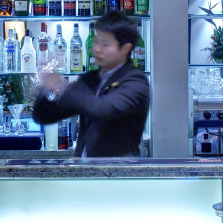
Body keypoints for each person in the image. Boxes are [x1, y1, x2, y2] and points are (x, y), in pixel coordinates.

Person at [32, 10, 150, 157]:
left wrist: (63, 87)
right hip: (85, 168)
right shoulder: (91, 79)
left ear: (125, 48)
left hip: (119, 168)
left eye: (105, 44)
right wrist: (47, 88)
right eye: (96, 41)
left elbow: (104, 109)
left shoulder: (136, 81)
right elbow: (44, 116)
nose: (97, 49)